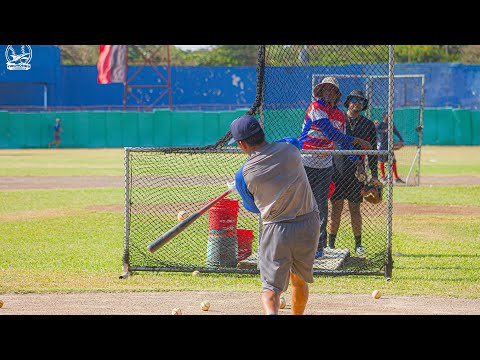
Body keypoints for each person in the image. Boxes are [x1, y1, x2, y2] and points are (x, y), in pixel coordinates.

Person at [227, 114, 320, 315]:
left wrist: (241, 187)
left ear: (242, 144)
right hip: (309, 223)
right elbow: (289, 141)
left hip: (277, 230)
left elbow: (254, 208)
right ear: (261, 133)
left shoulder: (243, 174)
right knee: (299, 280)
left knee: (271, 290)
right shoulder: (291, 148)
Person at [297, 76, 372, 259]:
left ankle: (318, 248)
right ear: (321, 92)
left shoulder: (339, 115)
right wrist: (358, 140)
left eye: (332, 90)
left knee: (321, 207)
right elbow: (331, 133)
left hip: (324, 165)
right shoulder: (315, 108)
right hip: (305, 162)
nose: (328, 92)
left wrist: (357, 163)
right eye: (325, 89)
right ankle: (298, 245)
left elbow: (341, 144)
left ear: (337, 94)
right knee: (301, 205)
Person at [328, 90, 381, 255]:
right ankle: (331, 245)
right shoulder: (338, 119)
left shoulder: (368, 124)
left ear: (363, 105)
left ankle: (358, 245)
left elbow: (372, 151)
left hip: (356, 174)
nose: (356, 103)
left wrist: (374, 174)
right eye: (353, 100)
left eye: (360, 101)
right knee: (336, 209)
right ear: (348, 102)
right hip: (336, 170)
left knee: (355, 209)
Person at [375, 111, 405, 184]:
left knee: (393, 161)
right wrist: (384, 131)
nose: (389, 117)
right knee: (382, 161)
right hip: (382, 145)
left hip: (389, 145)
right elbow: (376, 130)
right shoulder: (380, 124)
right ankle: (383, 176)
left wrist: (401, 139)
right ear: (384, 116)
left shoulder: (391, 124)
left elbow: (396, 131)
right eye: (387, 115)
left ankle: (396, 178)